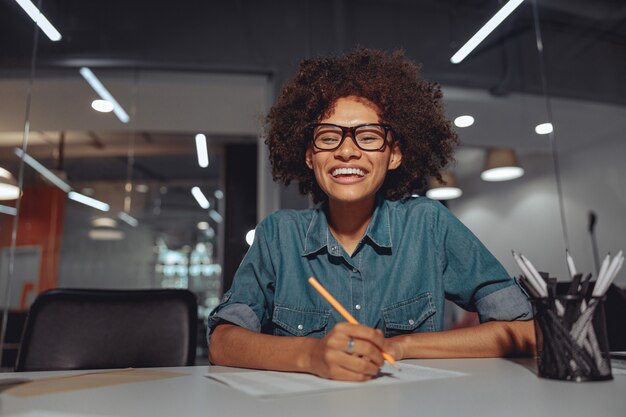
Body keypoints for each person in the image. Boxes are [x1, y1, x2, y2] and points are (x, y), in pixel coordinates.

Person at [208, 48, 535, 381]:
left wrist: (401, 346)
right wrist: (311, 354)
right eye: (328, 137)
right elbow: (222, 343)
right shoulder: (279, 235)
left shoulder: (429, 224)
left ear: (393, 155)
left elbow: (525, 331)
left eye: (368, 137)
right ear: (310, 156)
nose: (347, 151)